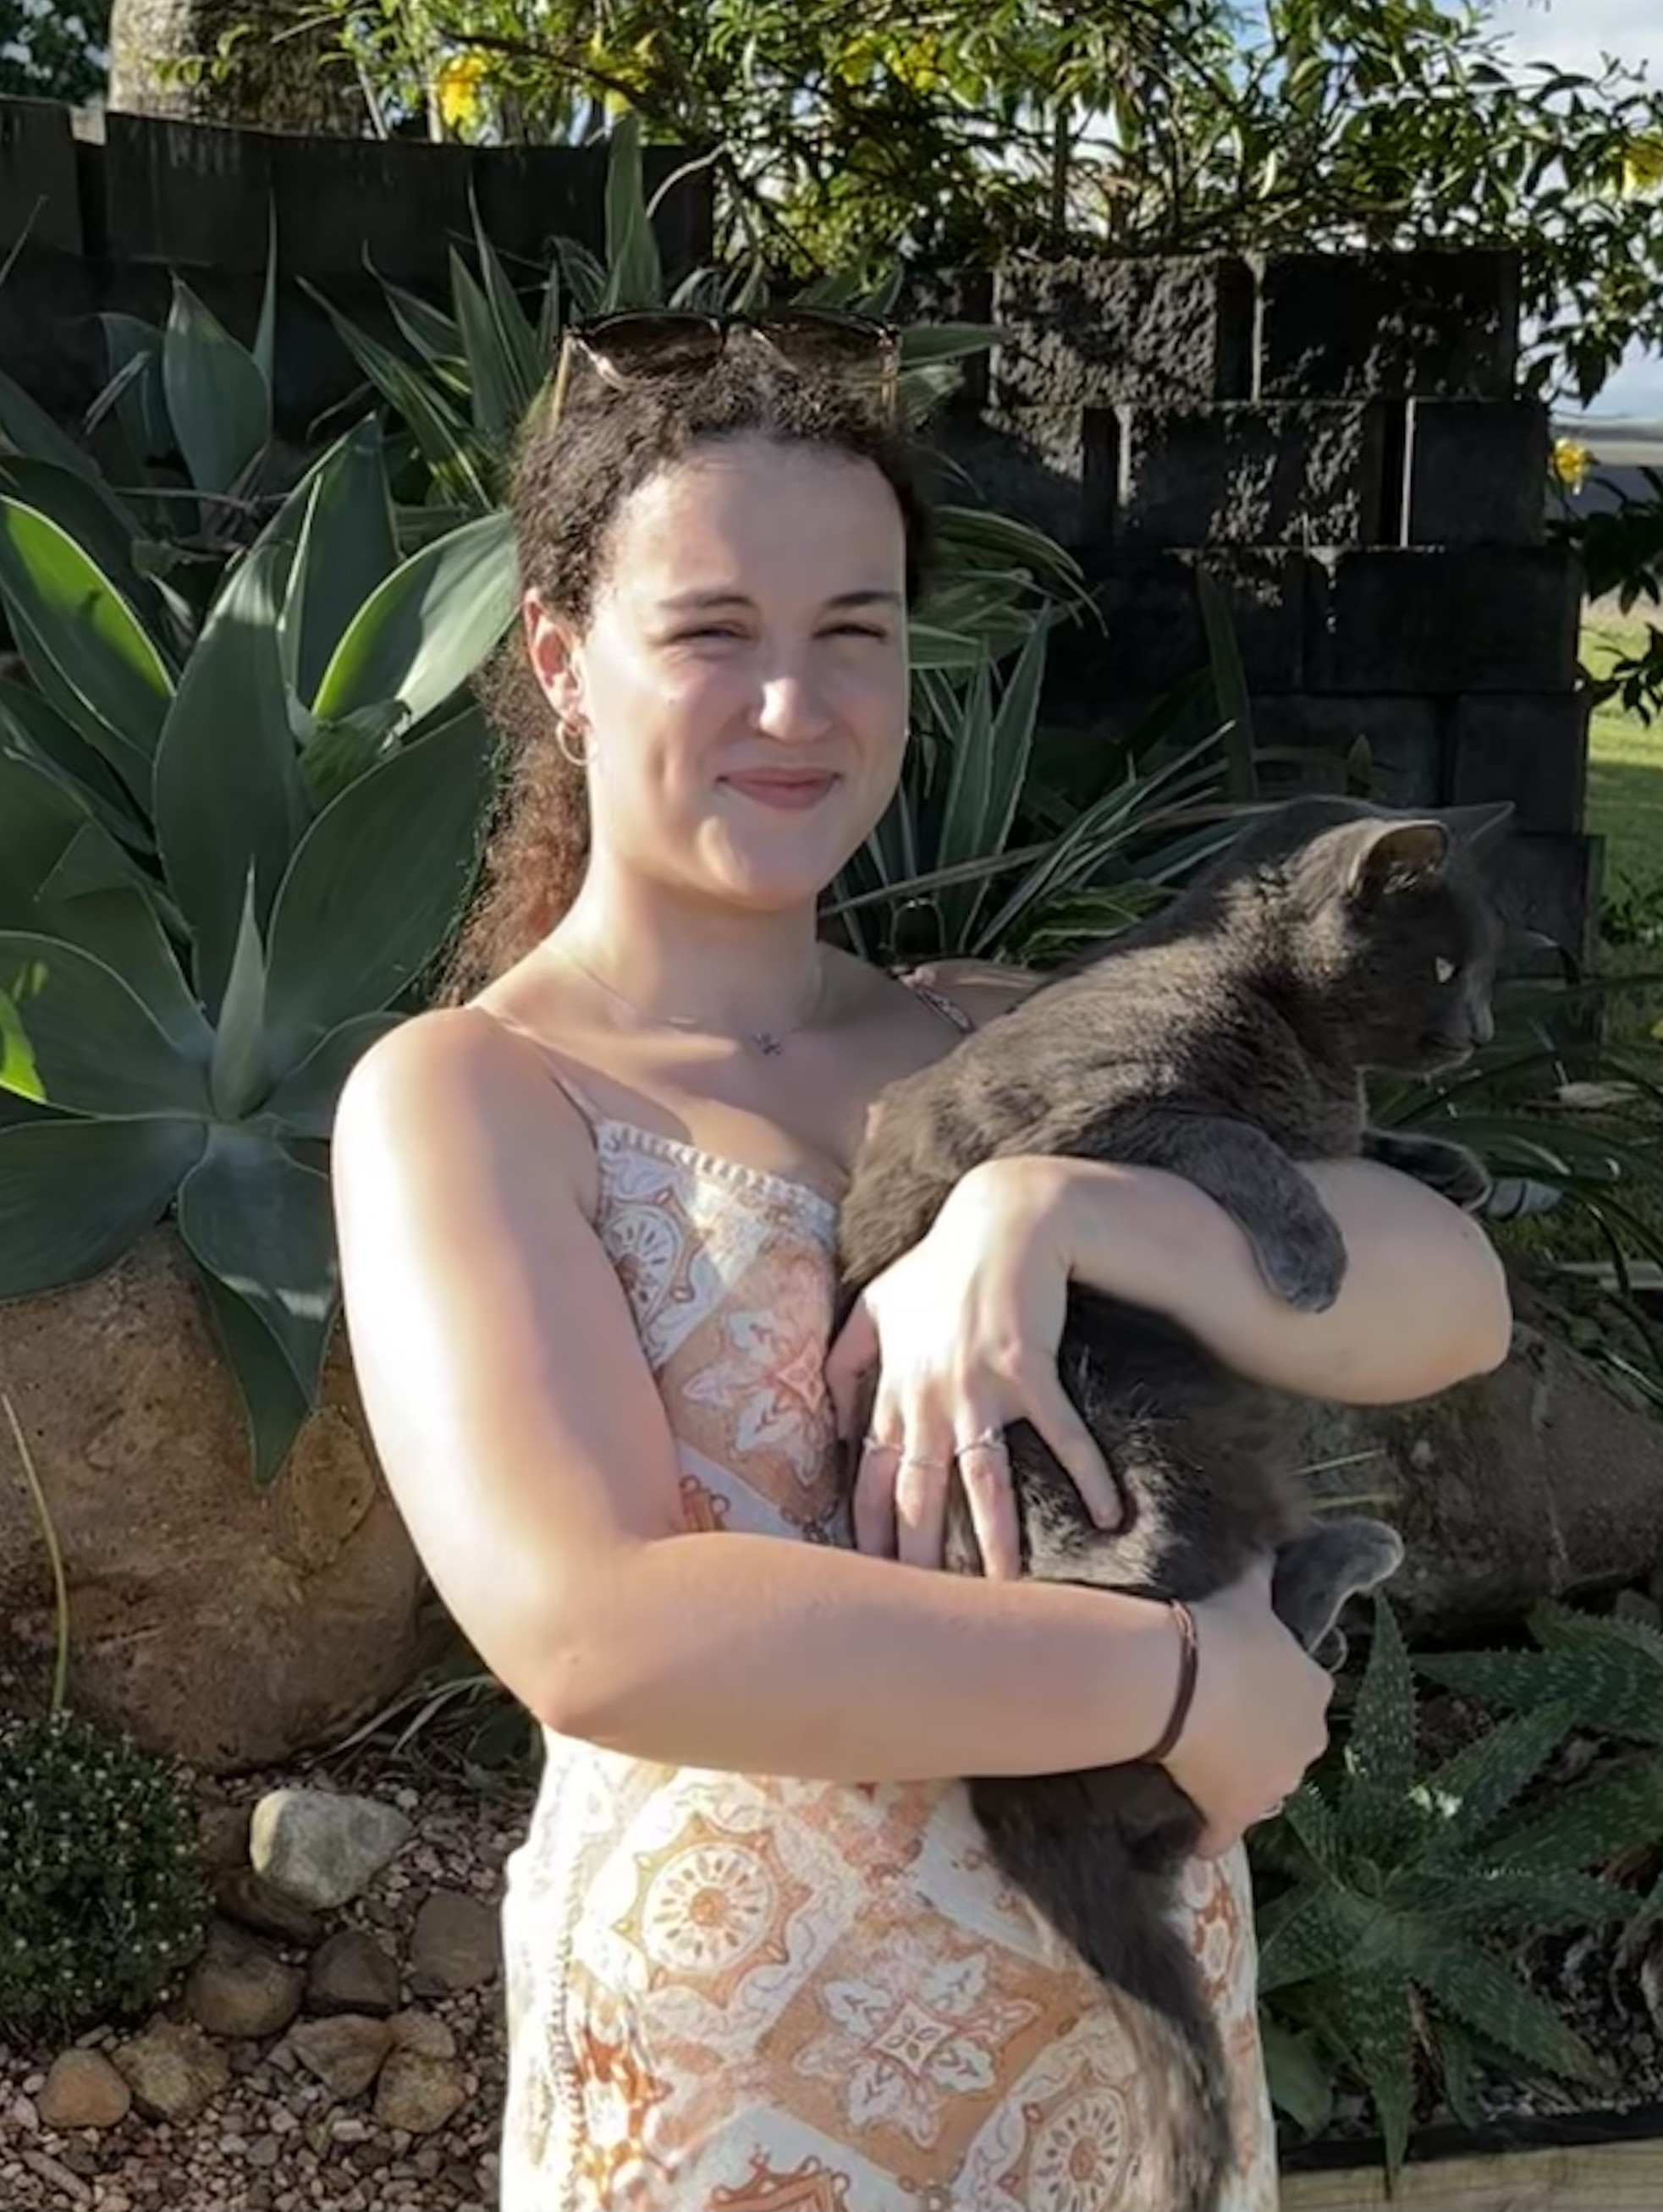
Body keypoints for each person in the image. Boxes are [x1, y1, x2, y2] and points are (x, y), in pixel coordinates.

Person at [331, 326, 1512, 2212]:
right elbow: (593, 1626)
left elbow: (1447, 1297)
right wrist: (1167, 1678)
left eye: (853, 629)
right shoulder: (473, 1095)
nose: (792, 701)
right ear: (559, 660)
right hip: (751, 2115)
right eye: (712, 629)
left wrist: (1052, 1214)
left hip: (1119, 2088)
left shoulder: (983, 1034)